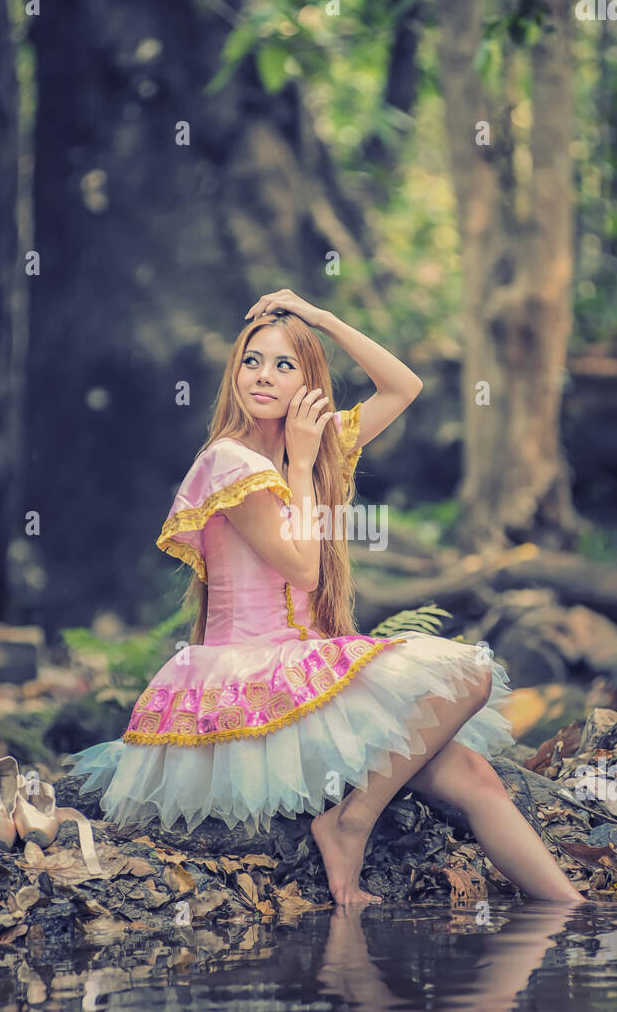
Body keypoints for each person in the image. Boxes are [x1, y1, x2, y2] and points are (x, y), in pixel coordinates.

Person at [62, 289, 585, 908]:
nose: (264, 376)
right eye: (253, 360)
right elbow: (306, 569)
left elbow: (404, 387)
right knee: (469, 672)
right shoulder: (229, 462)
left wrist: (322, 320)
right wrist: (307, 465)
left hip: (308, 671)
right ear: (235, 371)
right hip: (251, 676)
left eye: (285, 365)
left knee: (475, 778)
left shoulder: (313, 443)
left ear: (307, 384)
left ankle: (579, 916)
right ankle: (350, 824)